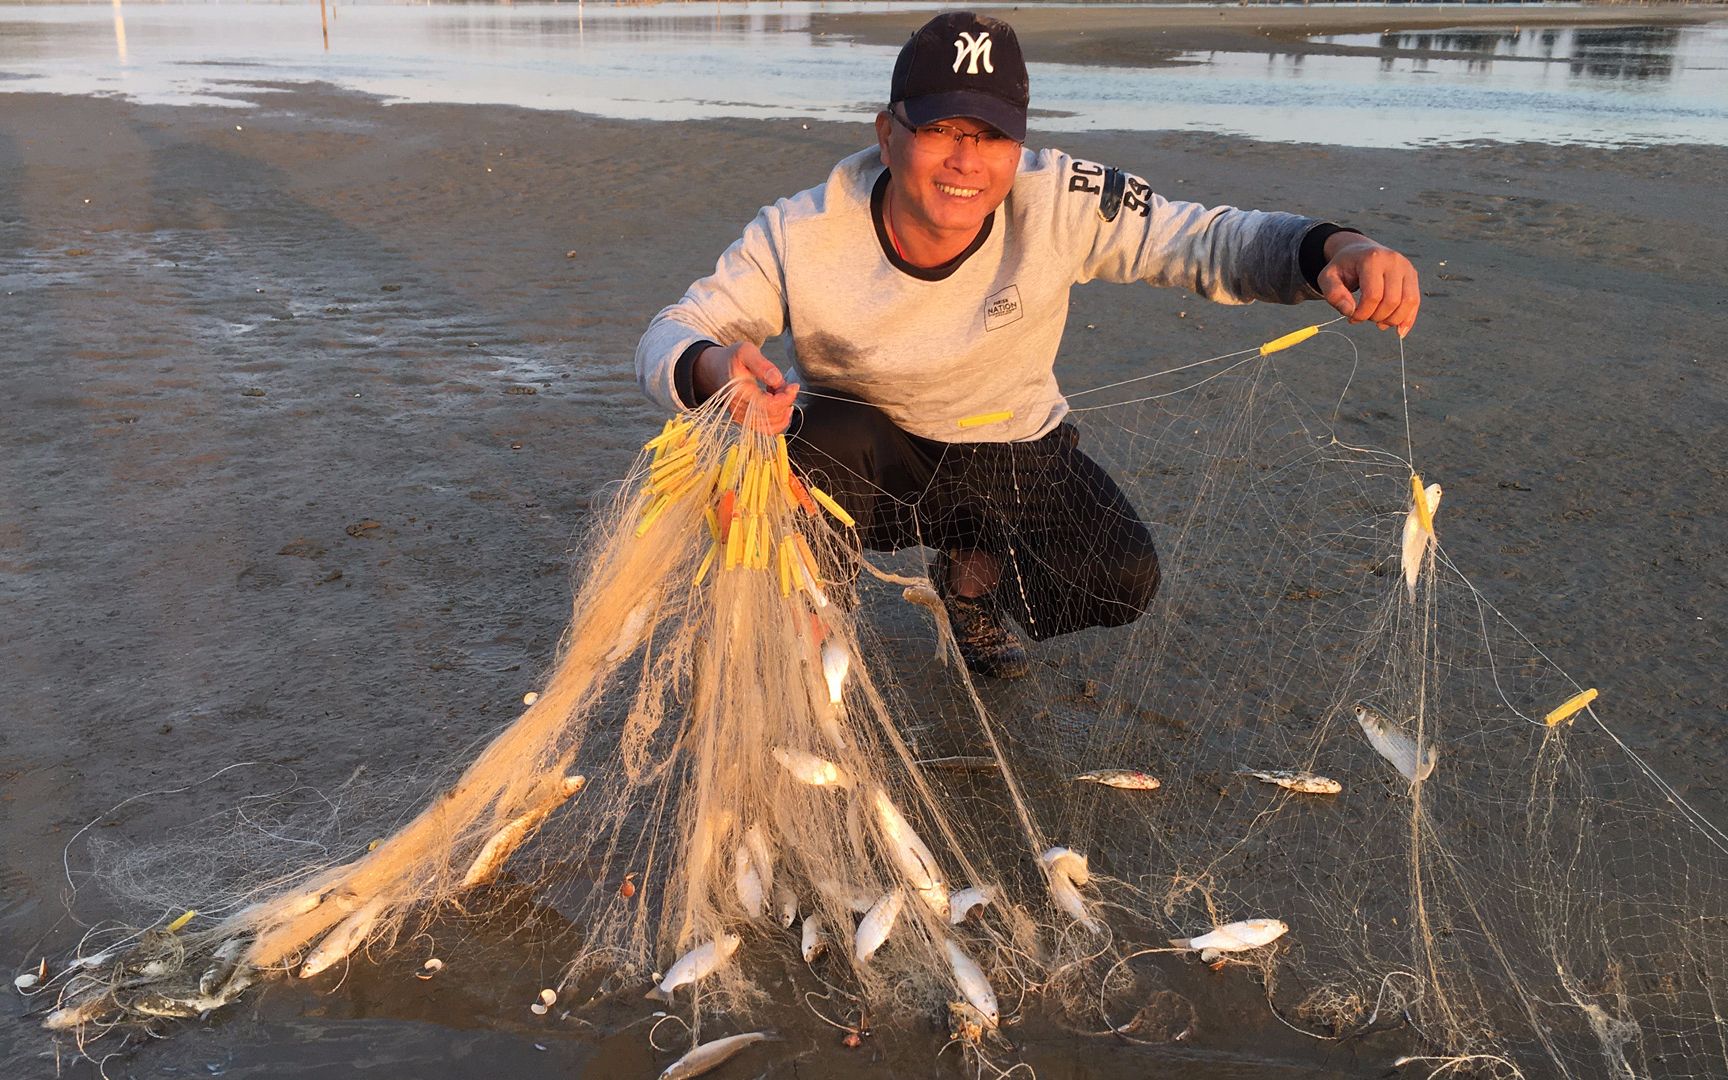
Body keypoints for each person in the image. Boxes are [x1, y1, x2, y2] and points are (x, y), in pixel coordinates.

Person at [635, 11, 1420, 679]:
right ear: (887, 132)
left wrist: (1334, 251)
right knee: (810, 436)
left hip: (1014, 446)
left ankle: (970, 583)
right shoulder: (800, 230)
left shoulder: (1061, 196)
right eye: (939, 129)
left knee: (1121, 578)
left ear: (1021, 144)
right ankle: (810, 629)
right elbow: (674, 331)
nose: (966, 162)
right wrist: (711, 367)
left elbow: (1210, 241)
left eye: (992, 135)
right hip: (872, 456)